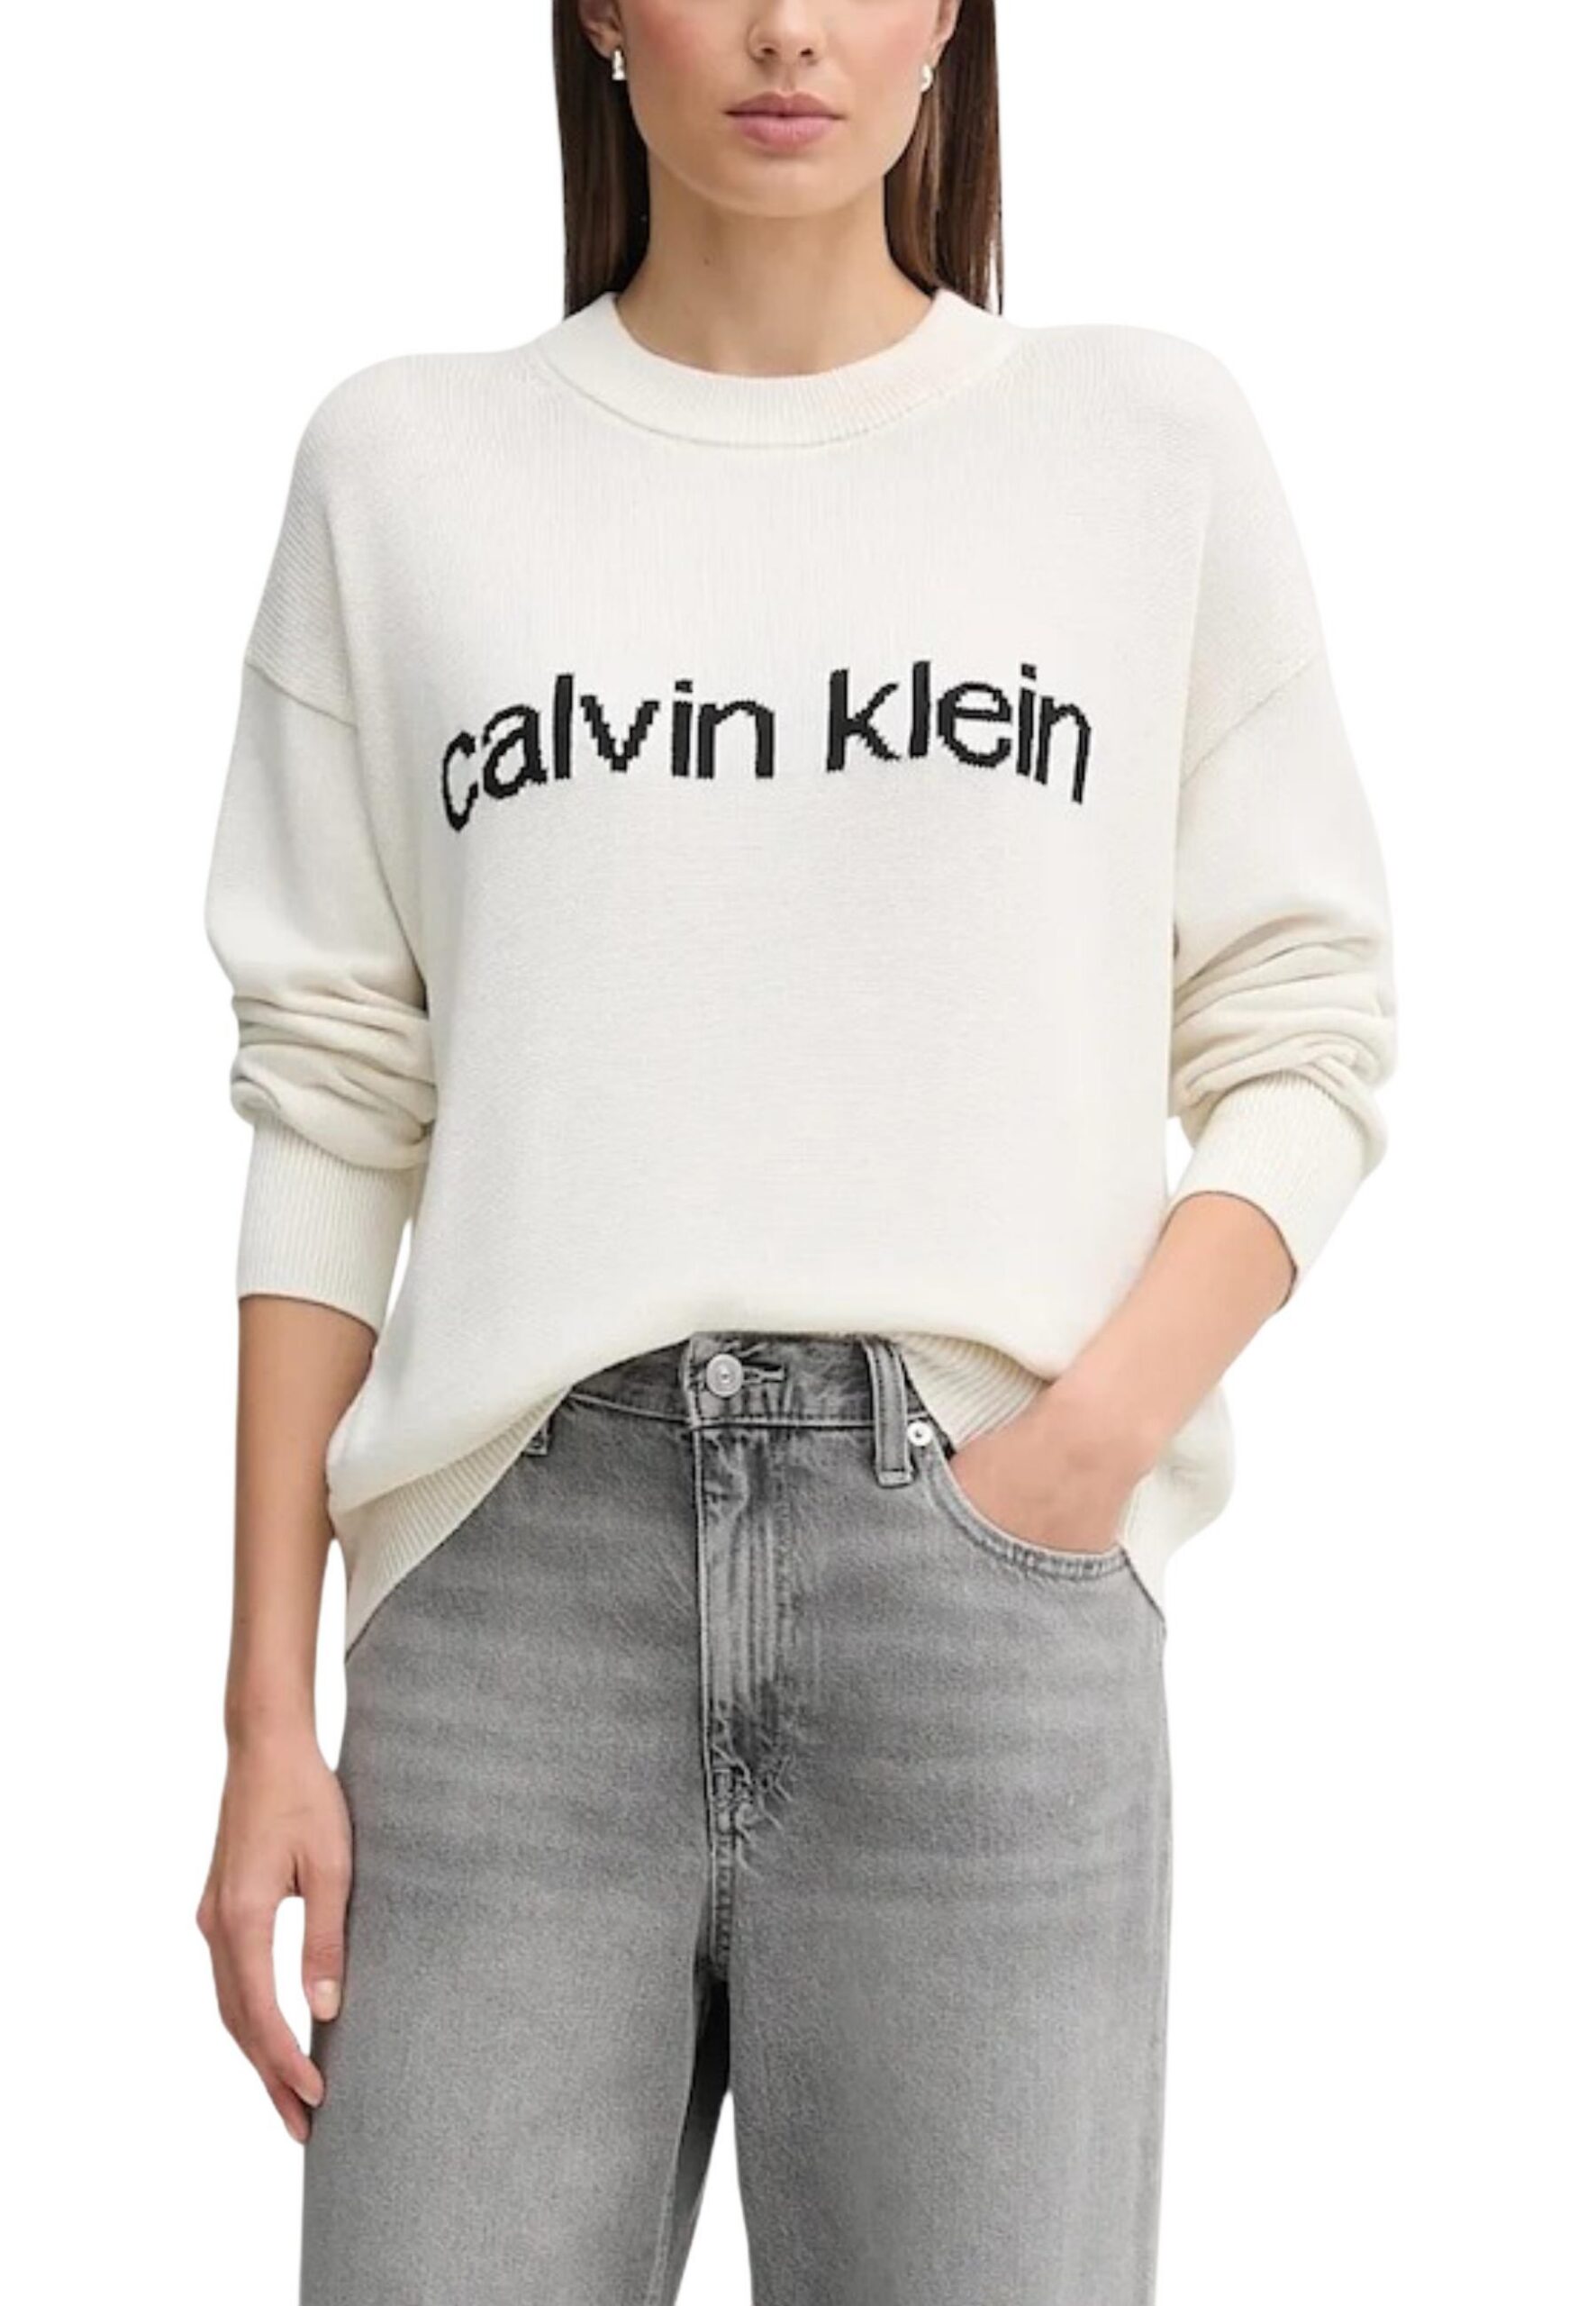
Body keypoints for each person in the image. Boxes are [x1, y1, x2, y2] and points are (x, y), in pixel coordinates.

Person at [195, 4, 1399, 2301]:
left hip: (981, 1606)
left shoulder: (1136, 446)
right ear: (594, 14)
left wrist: (1077, 1453)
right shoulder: (405, 466)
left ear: (945, 15)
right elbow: (333, 1092)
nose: (783, 30)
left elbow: (1304, 1022)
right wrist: (269, 1710)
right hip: (504, 1621)